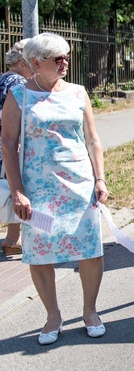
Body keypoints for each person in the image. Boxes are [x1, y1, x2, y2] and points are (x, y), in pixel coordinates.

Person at [1, 33, 109, 345]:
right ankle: (53, 315)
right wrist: (18, 190)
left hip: (78, 183)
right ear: (35, 63)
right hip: (37, 188)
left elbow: (92, 139)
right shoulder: (19, 95)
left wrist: (100, 179)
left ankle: (90, 311)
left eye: (66, 56)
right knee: (39, 252)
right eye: (56, 58)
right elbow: (8, 143)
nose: (65, 62)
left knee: (90, 248)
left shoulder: (77, 93)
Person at [0, 41, 33, 256]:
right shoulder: (18, 82)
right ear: (23, 62)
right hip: (10, 143)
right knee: (14, 186)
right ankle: (13, 238)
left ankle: (13, 238)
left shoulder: (4, 78)